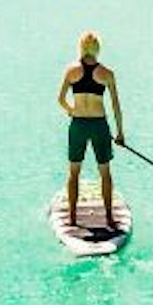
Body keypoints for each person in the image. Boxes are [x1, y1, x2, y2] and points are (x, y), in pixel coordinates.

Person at [58, 31, 125, 231]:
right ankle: (110, 218)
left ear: (81, 47)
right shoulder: (107, 73)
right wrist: (120, 133)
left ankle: (71, 218)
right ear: (97, 48)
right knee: (105, 172)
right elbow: (115, 106)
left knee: (74, 172)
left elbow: (60, 99)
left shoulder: (71, 71)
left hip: (78, 124)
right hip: (99, 125)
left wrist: (72, 111)